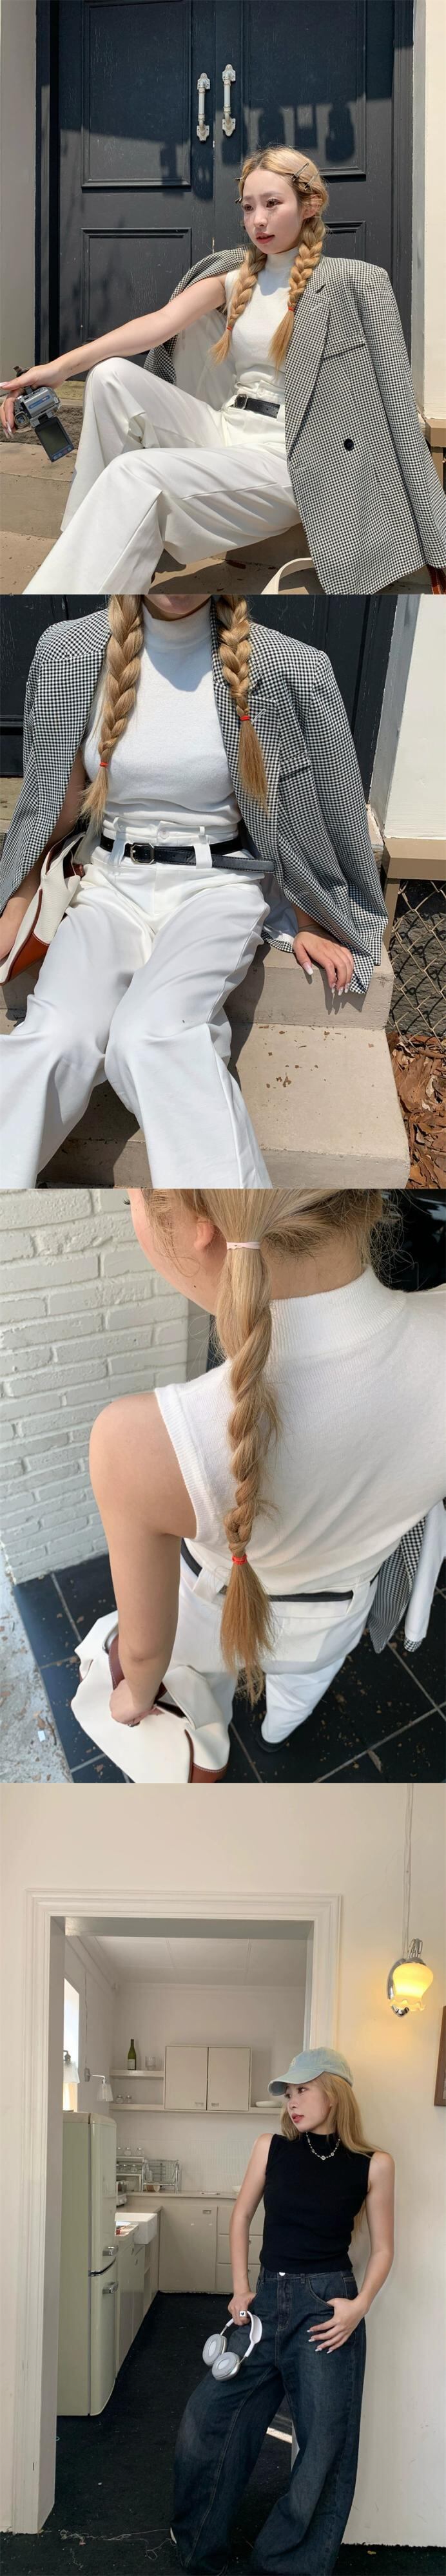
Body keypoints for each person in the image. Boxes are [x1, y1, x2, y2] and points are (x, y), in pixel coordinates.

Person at [0, 594, 386, 1188]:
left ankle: (237, 1228)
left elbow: (304, 810)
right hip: (109, 886)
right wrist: (20, 900)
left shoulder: (285, 666)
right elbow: (52, 800)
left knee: (153, 1035)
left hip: (218, 888)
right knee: (54, 1037)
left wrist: (310, 917)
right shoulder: (70, 653)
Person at [75, 1186, 446, 1784]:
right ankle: (280, 1730)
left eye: (133, 1200)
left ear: (201, 1221)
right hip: (334, 1620)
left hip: (207, 1621)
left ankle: (221, 1737)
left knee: (201, 1693)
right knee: (304, 1685)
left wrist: (132, 1697)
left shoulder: (135, 1442)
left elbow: (144, 1654)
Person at [2, 146, 445, 596]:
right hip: (226, 426)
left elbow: (396, 401)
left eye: (273, 204)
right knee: (111, 375)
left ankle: (66, 600)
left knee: (134, 473)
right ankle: (89, 541)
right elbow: (158, 324)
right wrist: (58, 368)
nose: (259, 221)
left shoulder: (356, 282)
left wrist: (436, 539)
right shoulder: (235, 277)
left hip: (289, 457)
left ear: (311, 204)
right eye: (249, 207)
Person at [170, 2046, 394, 2574]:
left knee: (325, 2444)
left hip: (327, 2309)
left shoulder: (374, 2163)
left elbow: (384, 2248)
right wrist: (240, 2287)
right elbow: (241, 2216)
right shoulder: (270, 2147)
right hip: (266, 2303)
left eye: (302, 2090)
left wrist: (359, 2306)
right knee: (208, 2417)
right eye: (288, 2093)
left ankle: (286, 2562)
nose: (292, 2101)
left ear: (334, 2092)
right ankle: (199, 2543)